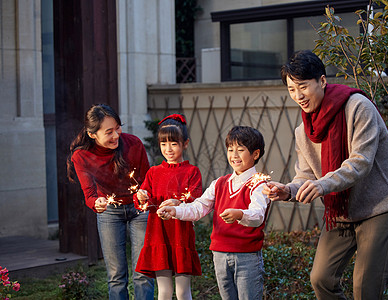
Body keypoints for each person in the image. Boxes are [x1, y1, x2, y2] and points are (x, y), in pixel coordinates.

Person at [263, 50, 388, 300]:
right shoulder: (303, 130)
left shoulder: (358, 107)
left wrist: (321, 185)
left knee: (366, 289)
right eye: (291, 89)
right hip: (340, 212)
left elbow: (361, 162)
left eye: (303, 87)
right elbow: (305, 176)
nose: (298, 96)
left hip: (378, 208)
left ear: (322, 81)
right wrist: (289, 190)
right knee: (321, 279)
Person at [157, 125, 270, 300]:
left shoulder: (259, 184)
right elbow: (199, 207)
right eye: (230, 149)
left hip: (247, 256)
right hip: (220, 254)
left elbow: (257, 215)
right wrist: (176, 211)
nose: (234, 155)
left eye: (240, 150)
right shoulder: (220, 183)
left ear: (255, 154)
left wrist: (239, 214)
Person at [67, 104, 155, 300]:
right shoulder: (82, 156)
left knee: (143, 272)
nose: (116, 135)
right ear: (93, 135)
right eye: (109, 132)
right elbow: (89, 194)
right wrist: (96, 203)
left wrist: (144, 193)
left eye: (118, 128)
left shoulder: (133, 144)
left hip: (139, 210)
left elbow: (147, 181)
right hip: (110, 213)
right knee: (116, 276)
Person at [134, 114, 203, 300]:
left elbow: (196, 201)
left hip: (181, 235)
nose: (168, 149)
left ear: (185, 143)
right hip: (158, 235)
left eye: (173, 143)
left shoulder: (192, 172)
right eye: (163, 144)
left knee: (182, 292)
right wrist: (141, 196)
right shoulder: (153, 172)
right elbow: (144, 203)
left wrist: (178, 203)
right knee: (163, 292)